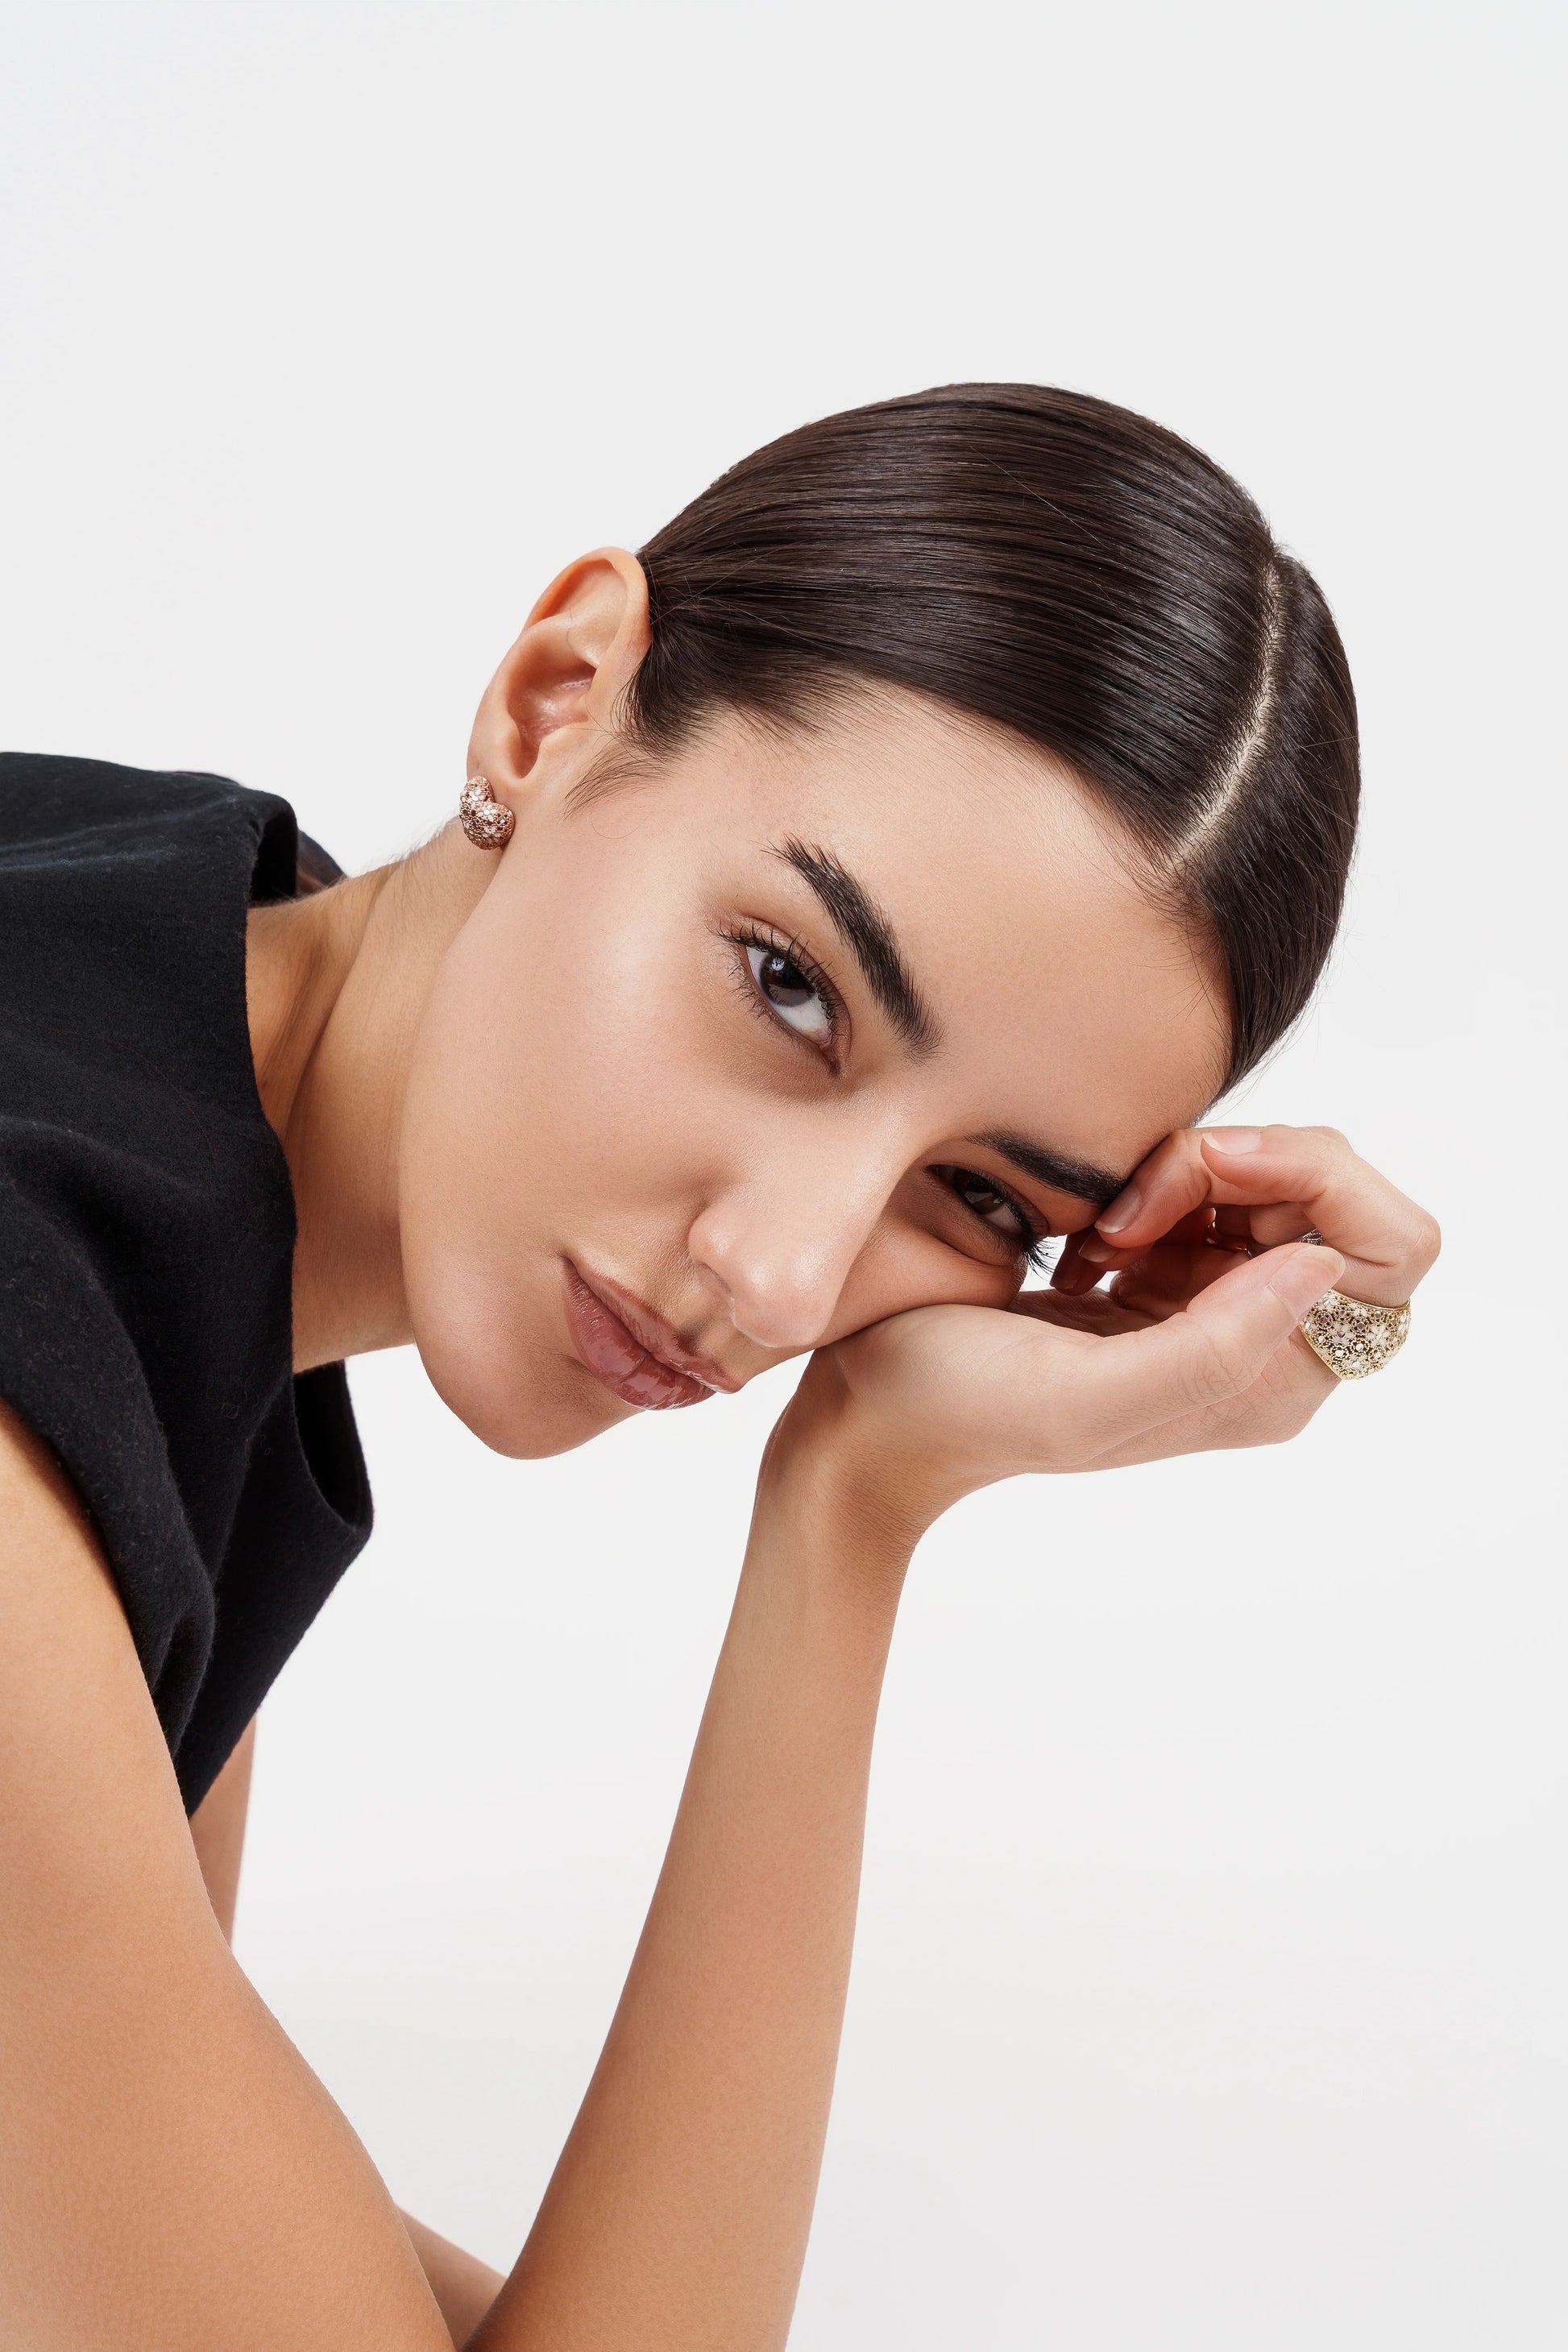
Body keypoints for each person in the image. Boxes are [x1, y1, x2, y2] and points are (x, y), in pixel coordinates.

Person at [0, 384, 1438, 2350]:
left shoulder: (139, 966)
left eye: (981, 1199)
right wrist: (852, 1509)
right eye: (789, 983)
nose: (781, 1275)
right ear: (553, 702)